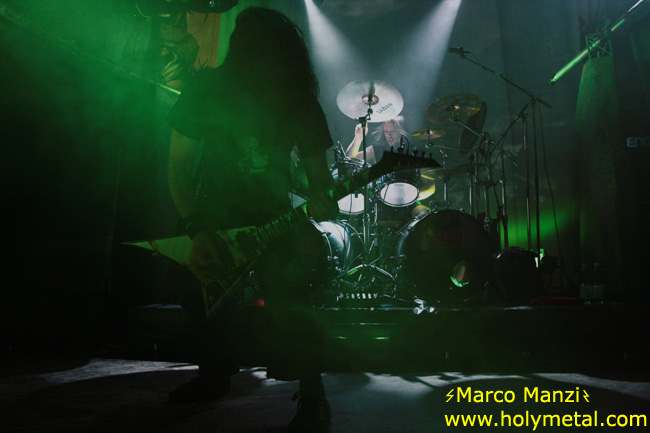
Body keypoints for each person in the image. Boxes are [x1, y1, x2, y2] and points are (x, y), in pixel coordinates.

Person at [166, 7, 338, 432]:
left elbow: (320, 180)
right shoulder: (207, 90)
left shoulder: (297, 99)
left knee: (292, 302)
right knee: (202, 300)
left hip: (274, 218)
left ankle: (313, 393)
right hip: (216, 218)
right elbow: (178, 169)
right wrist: (196, 228)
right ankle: (213, 376)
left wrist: (323, 201)